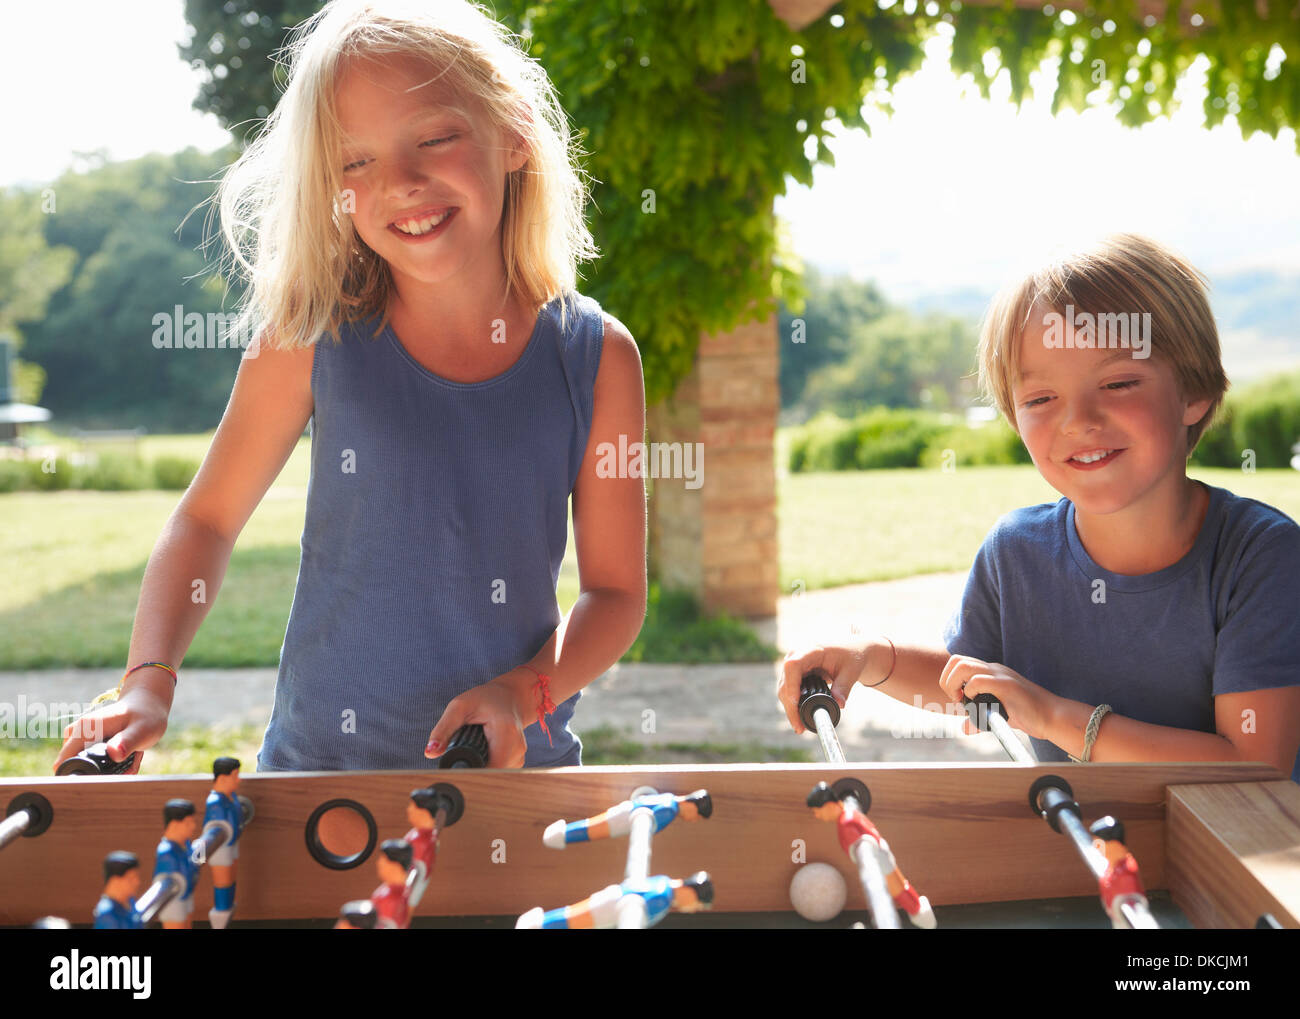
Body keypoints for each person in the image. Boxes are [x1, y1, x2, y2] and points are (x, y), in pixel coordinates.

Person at [54, 0, 646, 774]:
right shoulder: (311, 335)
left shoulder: (598, 355)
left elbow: (614, 595)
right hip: (317, 784)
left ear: (514, 135)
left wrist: (519, 691)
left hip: (518, 789)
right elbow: (205, 521)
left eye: (434, 137)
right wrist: (147, 680)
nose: (399, 182)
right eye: (353, 162)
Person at [779, 234, 1300, 781]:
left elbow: (1252, 763)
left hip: (1239, 858)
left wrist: (1053, 716)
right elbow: (972, 688)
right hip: (1089, 852)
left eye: (1118, 382)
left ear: (1195, 393)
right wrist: (869, 655)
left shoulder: (1262, 557)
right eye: (1040, 399)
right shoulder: (1016, 551)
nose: (1078, 420)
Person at [93, 851, 145, 930]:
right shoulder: (108, 915)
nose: (137, 882)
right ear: (115, 881)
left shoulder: (130, 902)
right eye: (131, 878)